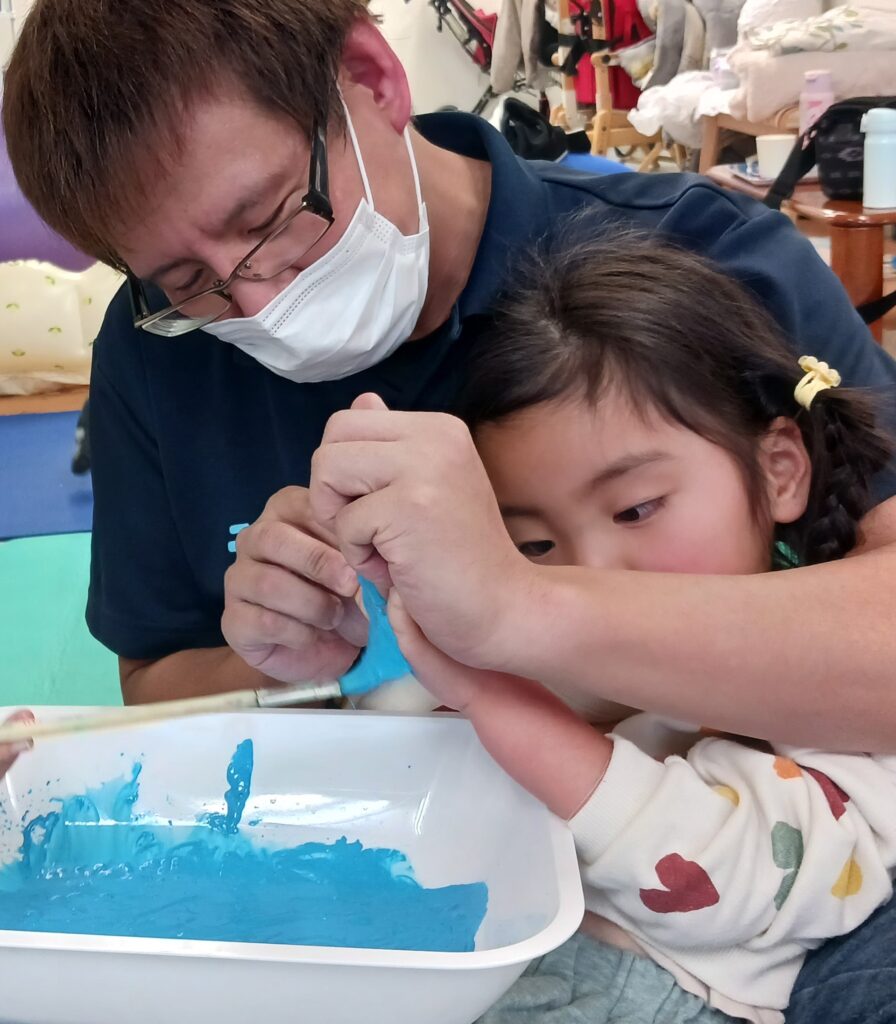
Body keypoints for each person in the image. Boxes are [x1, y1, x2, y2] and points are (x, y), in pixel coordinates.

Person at [2, 3, 896, 1015]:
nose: (256, 303)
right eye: (188, 282)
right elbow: (159, 684)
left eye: (268, 220)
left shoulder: (698, 260)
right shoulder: (156, 351)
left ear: (374, 78)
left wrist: (518, 606)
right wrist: (284, 656)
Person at [310, 231, 896, 1023]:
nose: (589, 568)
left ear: (779, 468)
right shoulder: (545, 641)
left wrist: (502, 706)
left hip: (661, 990)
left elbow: (745, 881)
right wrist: (372, 631)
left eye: (637, 509)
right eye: (533, 545)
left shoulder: (841, 671)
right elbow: (424, 768)